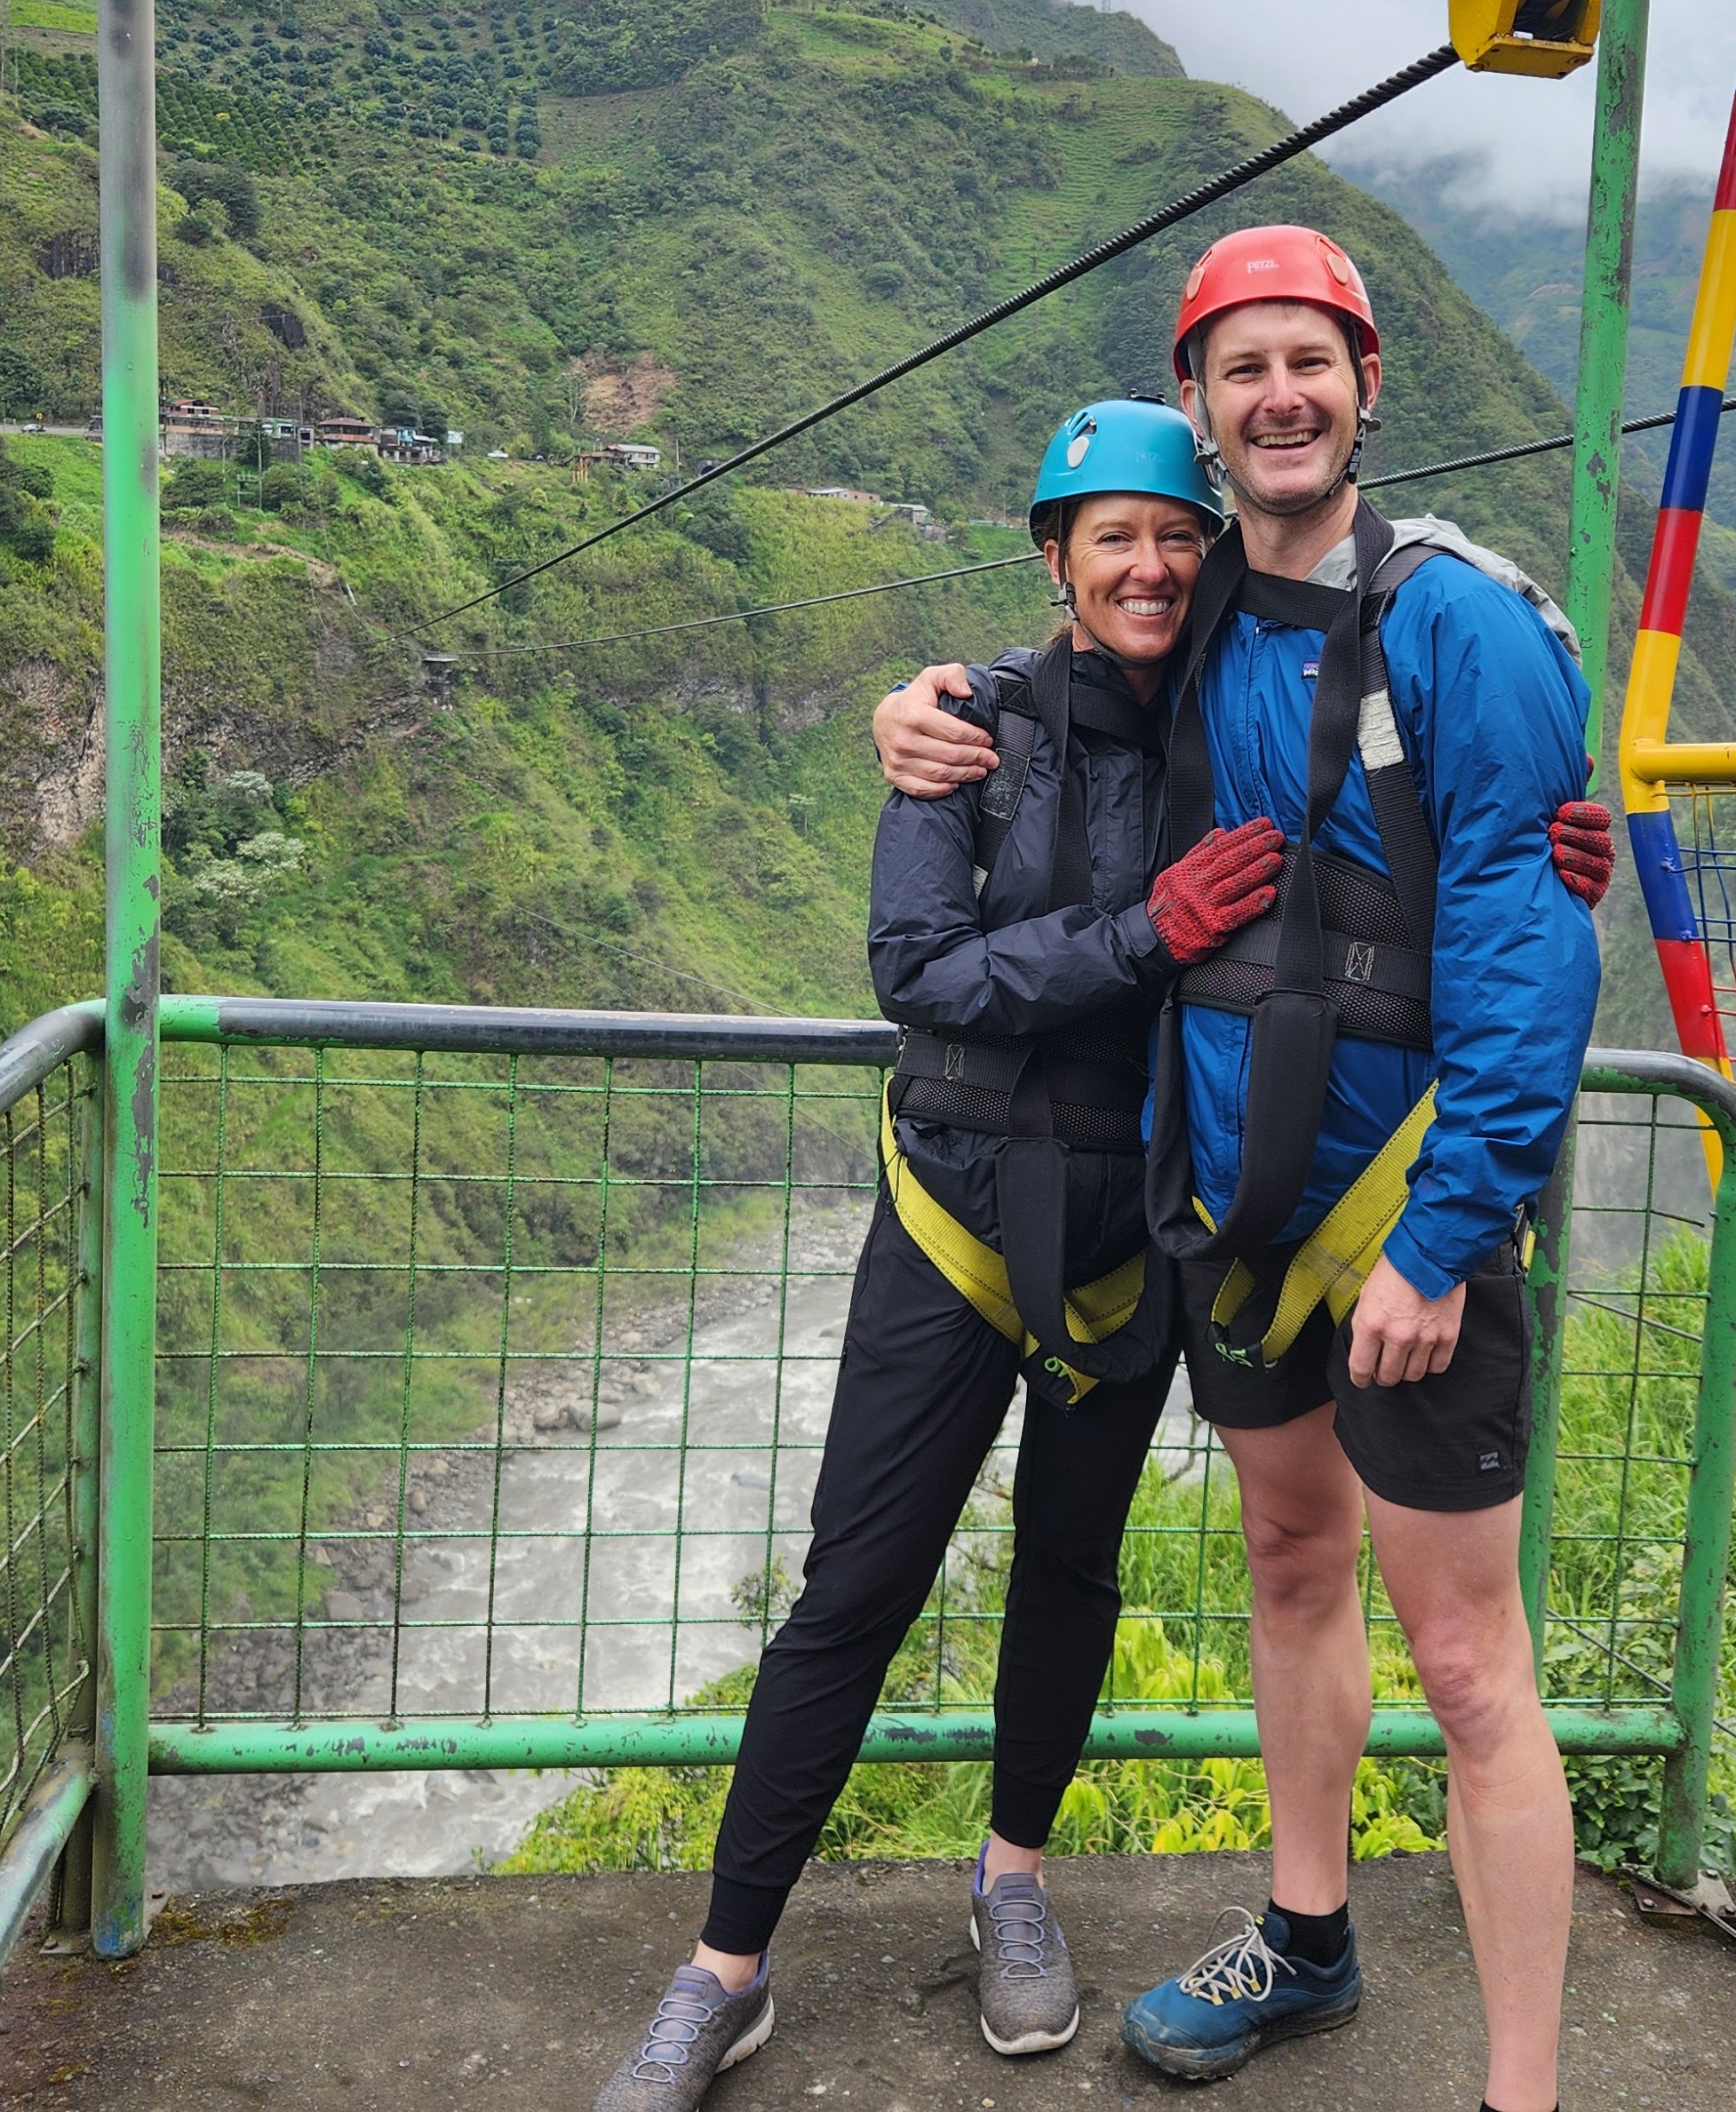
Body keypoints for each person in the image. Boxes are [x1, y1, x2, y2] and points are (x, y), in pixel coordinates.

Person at [595, 395, 1613, 2109]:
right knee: (855, 1588)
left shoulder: (1228, 708)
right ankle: (724, 1967)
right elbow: (919, 971)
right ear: (1055, 562)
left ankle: (1014, 1882)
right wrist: (1136, 925)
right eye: (1110, 540)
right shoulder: (967, 733)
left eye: (1172, 538)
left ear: (1209, 553)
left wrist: (1536, 843)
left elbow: (1397, 823)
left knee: (1070, 1574)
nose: (1148, 567)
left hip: (1139, 1230)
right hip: (959, 1212)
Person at [872, 227, 1602, 2112]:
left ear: (1365, 385)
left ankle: (1521, 2090)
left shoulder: (1454, 620)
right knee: (1291, 1562)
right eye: (1242, 368)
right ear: (1199, 406)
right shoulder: (1200, 617)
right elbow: (1063, 672)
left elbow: (1527, 939)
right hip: (1230, 1211)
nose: (1280, 397)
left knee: (1469, 1666)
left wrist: (1446, 1237)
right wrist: (919, 712)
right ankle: (1307, 1935)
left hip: (1405, 1218)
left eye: (1309, 361)